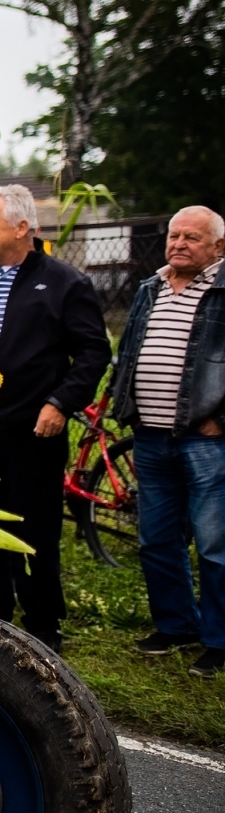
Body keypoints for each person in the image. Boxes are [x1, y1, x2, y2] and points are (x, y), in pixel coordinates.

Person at [0, 184, 111, 653]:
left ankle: (43, 628)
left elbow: (92, 353)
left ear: (23, 228)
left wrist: (60, 403)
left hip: (32, 431)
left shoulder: (64, 283)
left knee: (34, 532)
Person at [108, 205, 225, 677]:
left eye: (191, 238)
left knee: (215, 546)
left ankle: (218, 640)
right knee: (156, 539)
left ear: (218, 247)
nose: (178, 244)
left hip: (206, 442)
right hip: (151, 438)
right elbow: (128, 351)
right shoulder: (149, 288)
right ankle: (176, 625)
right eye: (174, 235)